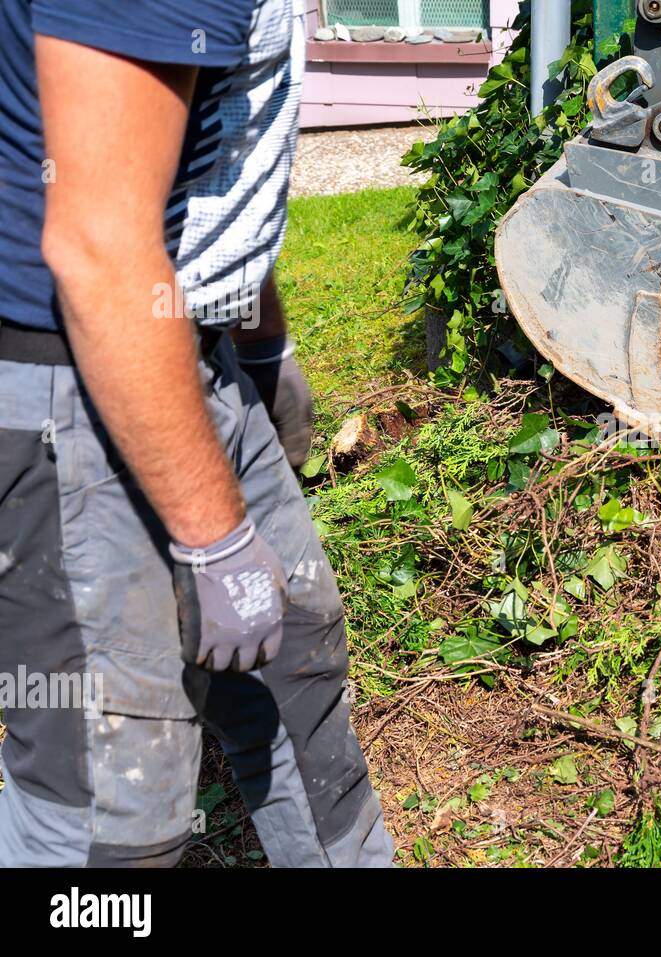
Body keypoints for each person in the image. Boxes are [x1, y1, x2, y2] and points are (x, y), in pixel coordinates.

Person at [0, 0, 392, 866]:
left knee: (295, 670)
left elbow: (209, 161)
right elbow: (98, 246)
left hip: (179, 348)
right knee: (112, 808)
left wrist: (260, 340)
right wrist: (213, 539)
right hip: (71, 380)